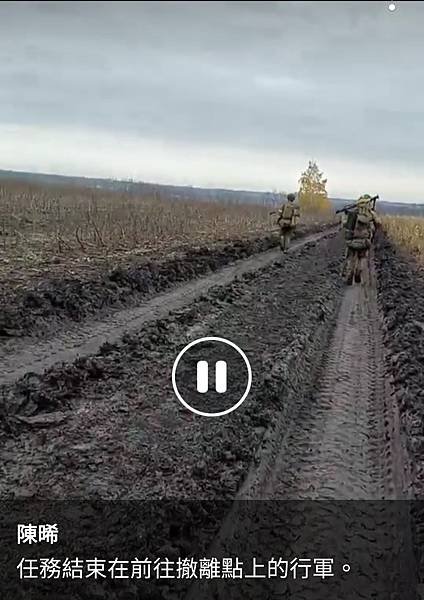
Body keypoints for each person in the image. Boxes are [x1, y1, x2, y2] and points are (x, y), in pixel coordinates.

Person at [342, 194, 379, 284]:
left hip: (351, 240)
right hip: (364, 241)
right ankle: (358, 272)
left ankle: (349, 275)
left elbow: (344, 224)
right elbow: (378, 223)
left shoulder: (353, 213)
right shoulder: (370, 214)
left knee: (351, 258)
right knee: (361, 258)